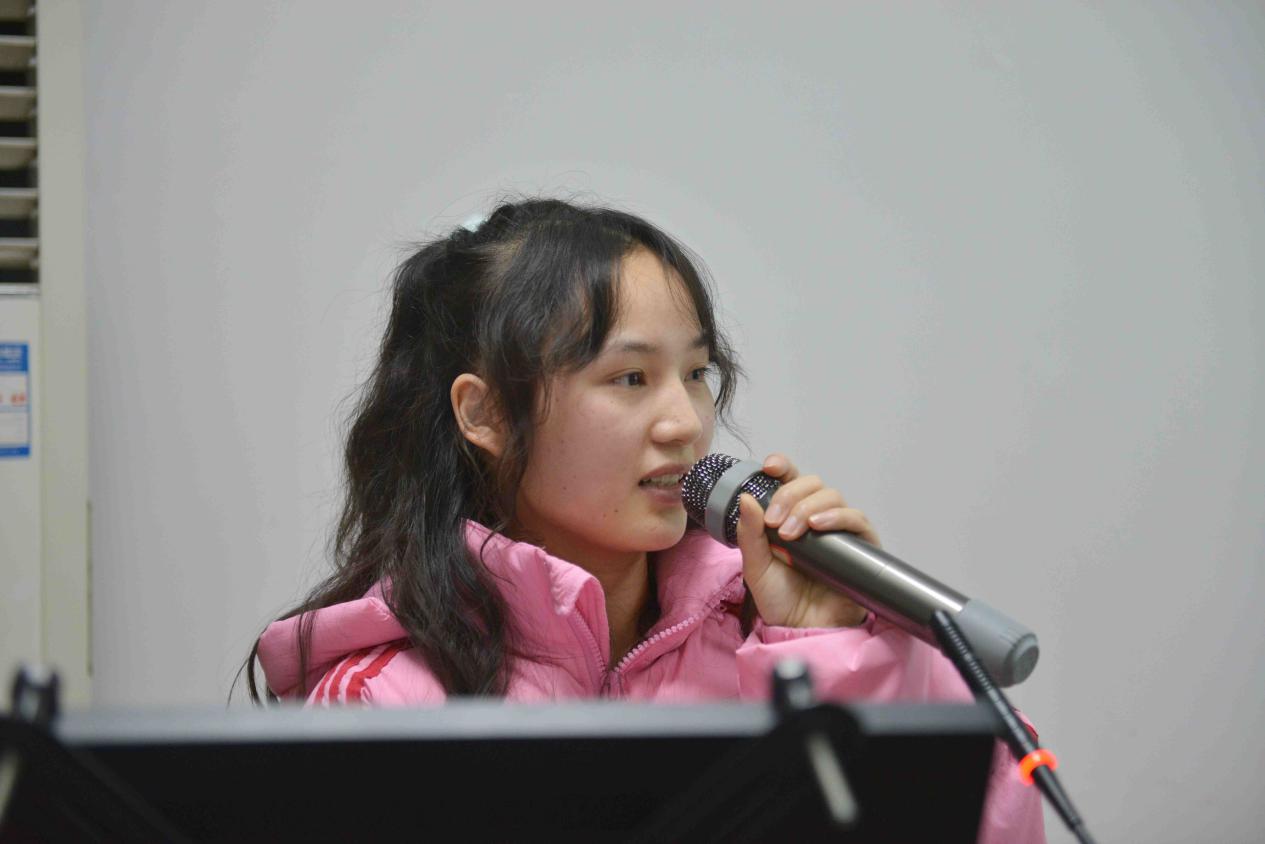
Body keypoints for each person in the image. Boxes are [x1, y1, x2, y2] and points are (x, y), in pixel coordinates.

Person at [246, 197, 1045, 842]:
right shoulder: (383, 705)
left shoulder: (818, 636)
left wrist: (827, 653)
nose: (685, 423)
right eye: (629, 378)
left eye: (696, 373)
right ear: (483, 413)